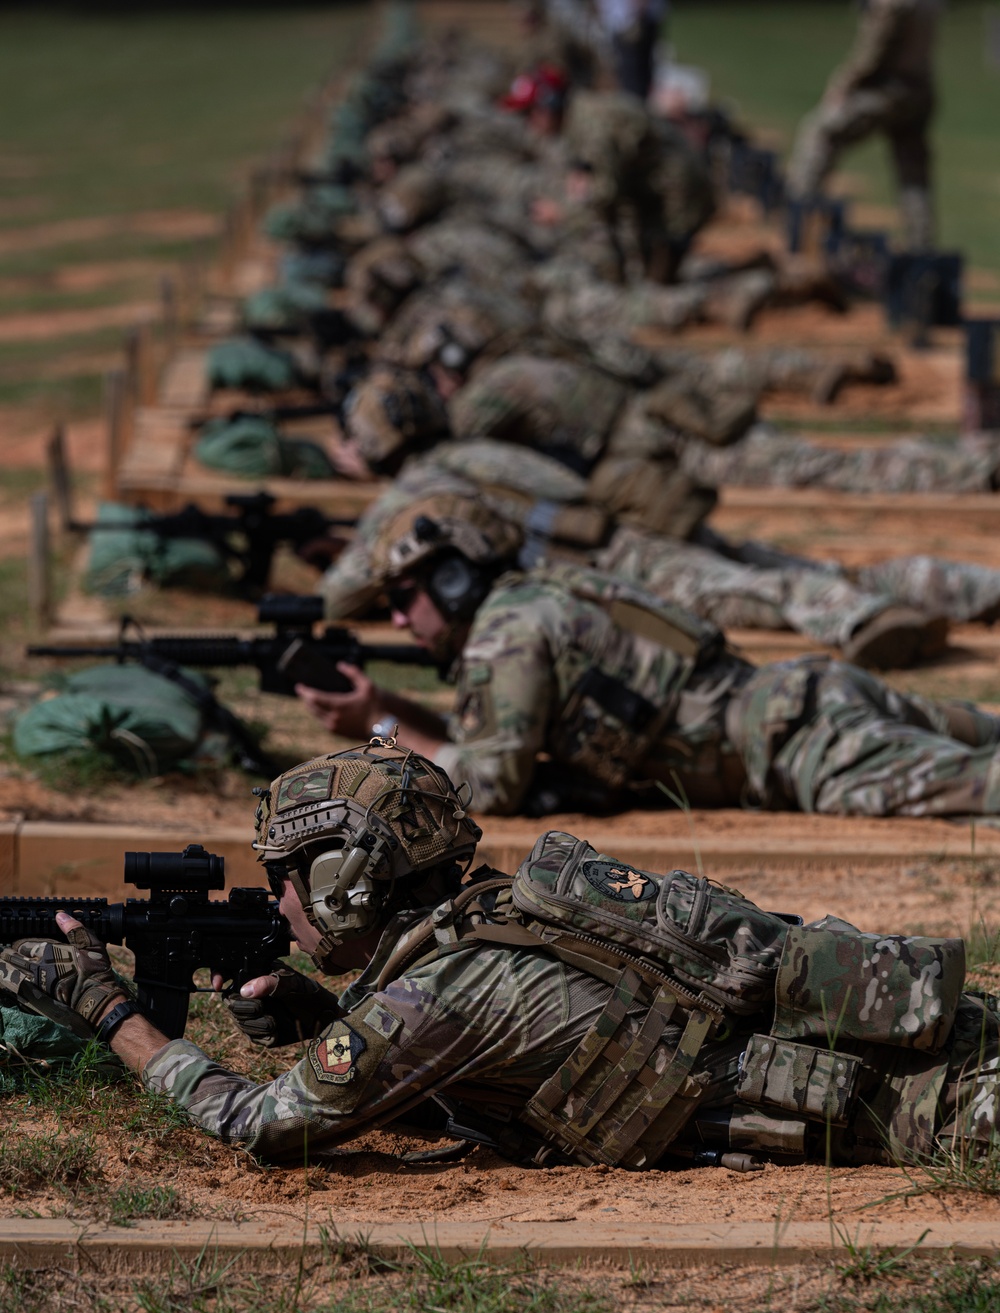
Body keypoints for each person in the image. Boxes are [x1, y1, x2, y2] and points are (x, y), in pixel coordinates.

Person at [2, 736, 998, 1172]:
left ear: (350, 879)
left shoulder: (441, 988)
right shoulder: (499, 915)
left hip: (924, 1106)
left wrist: (107, 1011)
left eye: (287, 876)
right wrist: (328, 1018)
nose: (281, 902)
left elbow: (265, 1126)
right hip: (913, 1042)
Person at [299, 498, 1000, 818]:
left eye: (407, 594)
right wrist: (384, 710)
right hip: (804, 698)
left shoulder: (505, 632)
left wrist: (384, 735)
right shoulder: (541, 595)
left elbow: (486, 788)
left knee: (981, 786)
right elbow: (489, 738)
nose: (397, 616)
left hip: (796, 745)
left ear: (454, 577)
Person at [786, 0, 940, 250]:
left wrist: (844, 83)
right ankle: (921, 248)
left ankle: (798, 218)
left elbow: (875, 49)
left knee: (820, 132)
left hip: (884, 91)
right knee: (913, 174)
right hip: (920, 91)